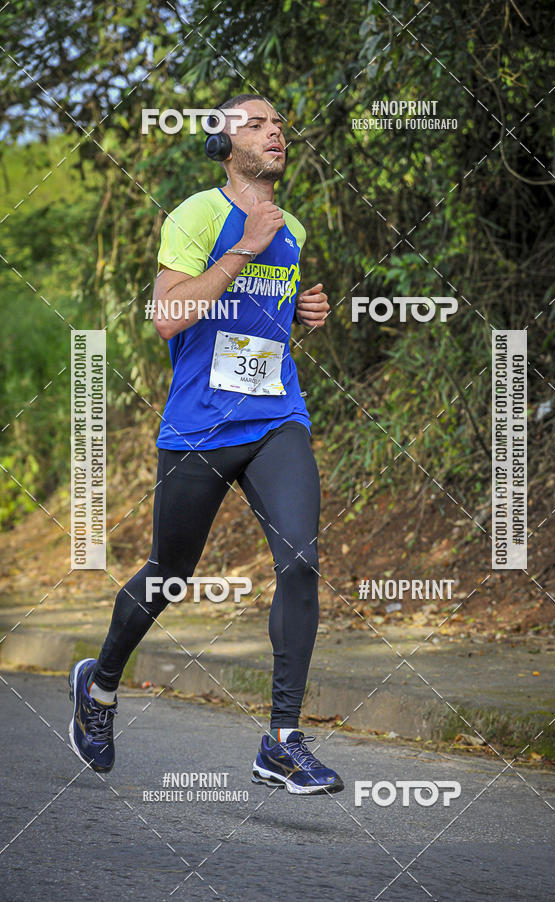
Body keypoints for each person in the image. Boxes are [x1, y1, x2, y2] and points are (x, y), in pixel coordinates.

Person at [68, 93, 344, 795]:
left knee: (302, 561)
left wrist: (303, 314)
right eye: (256, 124)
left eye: (280, 122)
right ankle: (98, 687)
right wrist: (245, 246)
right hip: (199, 428)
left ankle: (281, 741)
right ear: (225, 145)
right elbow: (168, 316)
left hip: (276, 417)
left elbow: (256, 323)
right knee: (169, 575)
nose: (275, 131)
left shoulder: (295, 228)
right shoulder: (197, 215)